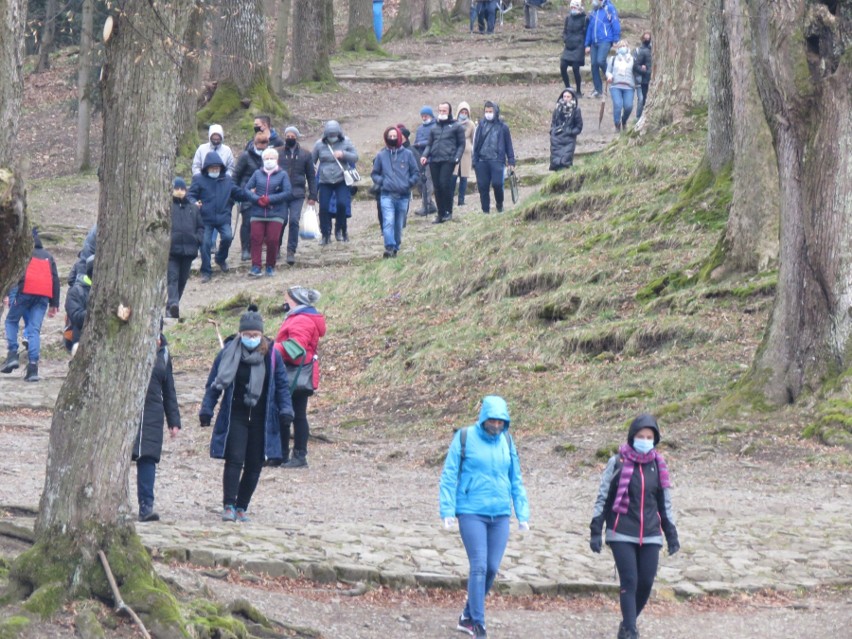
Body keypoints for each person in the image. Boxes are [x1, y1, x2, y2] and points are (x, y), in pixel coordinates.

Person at [439, 396, 530, 639]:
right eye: (493, 420)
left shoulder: (508, 442)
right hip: (471, 511)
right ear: (483, 418)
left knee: (491, 568)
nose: (497, 426)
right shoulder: (464, 437)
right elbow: (449, 475)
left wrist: (522, 513)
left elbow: (516, 478)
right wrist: (447, 510)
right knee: (478, 566)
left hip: (500, 514)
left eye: (501, 422)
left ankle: (467, 616)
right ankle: (478, 623)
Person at [199, 305, 294, 522]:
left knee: (255, 463)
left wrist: (286, 410)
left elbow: (281, 385)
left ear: (262, 334)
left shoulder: (272, 356)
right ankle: (229, 505)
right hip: (236, 414)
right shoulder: (227, 353)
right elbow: (214, 383)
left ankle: (242, 505)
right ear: (240, 334)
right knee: (234, 459)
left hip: (262, 417)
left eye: (255, 335)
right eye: (247, 335)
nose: (251, 338)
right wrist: (207, 408)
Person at [589, 414, 680, 639]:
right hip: (621, 530)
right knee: (629, 580)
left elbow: (664, 503)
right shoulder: (617, 462)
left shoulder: (659, 465)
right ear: (632, 437)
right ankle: (630, 630)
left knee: (646, 582)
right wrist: (596, 530)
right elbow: (604, 497)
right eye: (641, 436)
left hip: (650, 532)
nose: (645, 440)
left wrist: (671, 533)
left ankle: (627, 622)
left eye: (649, 437)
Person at [273, 286, 326, 468]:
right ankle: (285, 454)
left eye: (287, 298)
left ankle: (295, 456)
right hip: (297, 371)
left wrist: (270, 349)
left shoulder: (301, 320)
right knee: (293, 414)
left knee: (293, 414)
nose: (284, 302)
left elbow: (295, 349)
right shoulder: (301, 317)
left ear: (295, 301)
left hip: (295, 372)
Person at [133, 330, 181, 521]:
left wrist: (173, 420)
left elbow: (169, 389)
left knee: (148, 458)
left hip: (153, 413)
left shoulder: (164, 355)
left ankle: (146, 506)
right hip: (127, 411)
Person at [1, 228, 60, 382]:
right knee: (34, 330)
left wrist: (6, 293)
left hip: (25, 291)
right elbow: (55, 279)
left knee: (11, 320)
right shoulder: (49, 257)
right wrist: (54, 304)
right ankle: (33, 368)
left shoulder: (25, 255)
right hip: (44, 296)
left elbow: (14, 273)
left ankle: (12, 353)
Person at [187, 151, 250, 283]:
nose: (215, 170)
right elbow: (190, 195)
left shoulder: (227, 180)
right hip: (205, 219)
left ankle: (220, 258)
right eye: (212, 168)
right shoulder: (199, 179)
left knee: (227, 237)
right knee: (205, 244)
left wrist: (251, 194)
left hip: (223, 217)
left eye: (217, 168)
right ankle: (206, 271)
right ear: (207, 168)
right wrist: (194, 203)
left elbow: (238, 193)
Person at [372, 126, 420, 257]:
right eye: (390, 136)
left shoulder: (408, 154)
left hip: (403, 195)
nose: (392, 139)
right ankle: (389, 247)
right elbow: (374, 173)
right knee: (388, 221)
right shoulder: (381, 155)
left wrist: (408, 184)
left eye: (394, 136)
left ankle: (396, 246)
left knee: (398, 224)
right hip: (387, 194)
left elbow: (416, 173)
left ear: (399, 137)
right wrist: (382, 182)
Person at [245, 147, 292, 277]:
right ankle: (256, 266)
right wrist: (257, 199)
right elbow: (247, 189)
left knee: (272, 240)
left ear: (277, 160)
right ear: (263, 160)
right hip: (257, 212)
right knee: (255, 239)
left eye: (272, 158)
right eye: (266, 158)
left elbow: (287, 192)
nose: (269, 161)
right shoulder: (257, 174)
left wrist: (270, 199)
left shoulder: (283, 174)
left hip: (276, 213)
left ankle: (270, 266)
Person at [311, 120, 359, 245]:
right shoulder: (319, 144)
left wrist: (343, 154)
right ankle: (325, 234)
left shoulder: (346, 142)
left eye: (334, 135)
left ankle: (341, 229)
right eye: (330, 135)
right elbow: (312, 161)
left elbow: (355, 157)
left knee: (342, 204)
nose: (332, 137)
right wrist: (312, 170)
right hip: (325, 180)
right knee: (324, 208)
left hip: (341, 179)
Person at [278, 126, 318, 266]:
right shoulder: (278, 153)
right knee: (281, 220)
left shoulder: (306, 154)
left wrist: (313, 195)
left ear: (297, 137)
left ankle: (291, 250)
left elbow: (311, 176)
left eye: (292, 135)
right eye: (287, 135)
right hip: (280, 193)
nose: (290, 138)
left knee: (294, 220)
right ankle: (276, 247)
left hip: (298, 193)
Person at [421, 102, 465, 224]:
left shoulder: (456, 126)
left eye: (444, 111)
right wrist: (425, 155)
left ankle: (448, 212)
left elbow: (461, 144)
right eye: (440, 110)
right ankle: (440, 214)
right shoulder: (434, 127)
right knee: (437, 187)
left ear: (449, 112)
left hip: (448, 159)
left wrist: (457, 157)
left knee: (444, 184)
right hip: (434, 160)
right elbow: (429, 144)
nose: (441, 113)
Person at [167, 177, 203, 319]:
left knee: (182, 280)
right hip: (172, 251)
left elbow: (201, 226)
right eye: (177, 189)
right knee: (173, 278)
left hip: (189, 251)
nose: (180, 192)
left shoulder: (193, 208)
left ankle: (172, 307)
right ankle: (173, 303)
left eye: (182, 189)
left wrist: (197, 240)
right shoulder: (167, 207)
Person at [472, 101, 515, 214]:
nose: (488, 113)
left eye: (490, 111)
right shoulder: (480, 126)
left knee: (497, 184)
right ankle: (485, 210)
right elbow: (476, 143)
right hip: (482, 161)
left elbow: (508, 144)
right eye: (486, 111)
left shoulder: (503, 127)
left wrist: (511, 160)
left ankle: (499, 204)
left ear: (495, 111)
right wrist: (475, 160)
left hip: (497, 160)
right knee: (483, 186)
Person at [234, 132, 270, 262]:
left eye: (265, 143)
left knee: (262, 223)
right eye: (260, 143)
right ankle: (245, 249)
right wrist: (237, 193)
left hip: (264, 194)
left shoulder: (269, 157)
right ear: (255, 143)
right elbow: (236, 175)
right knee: (247, 222)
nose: (262, 146)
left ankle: (258, 248)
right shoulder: (246, 156)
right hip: (248, 194)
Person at [584, 0, 621, 98]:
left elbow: (615, 22)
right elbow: (590, 28)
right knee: (594, 64)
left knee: (601, 60)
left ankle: (613, 78)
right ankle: (597, 90)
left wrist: (616, 38)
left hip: (605, 39)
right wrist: (587, 44)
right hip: (594, 42)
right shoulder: (593, 11)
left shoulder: (609, 8)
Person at [65, 254, 94, 355]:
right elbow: (76, 316)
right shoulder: (77, 291)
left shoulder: (109, 290)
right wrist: (97, 312)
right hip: (81, 342)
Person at [549, 88, 584, 171]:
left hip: (569, 139)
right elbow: (553, 122)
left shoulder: (576, 110)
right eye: (564, 96)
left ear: (572, 97)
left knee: (566, 162)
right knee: (555, 162)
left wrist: (571, 132)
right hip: (556, 138)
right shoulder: (557, 108)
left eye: (568, 97)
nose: (566, 98)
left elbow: (579, 126)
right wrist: (553, 131)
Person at [606, 39, 636, 132]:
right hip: (616, 86)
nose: (623, 48)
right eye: (621, 46)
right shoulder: (613, 59)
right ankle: (617, 124)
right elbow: (608, 71)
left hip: (629, 86)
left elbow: (636, 71)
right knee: (618, 105)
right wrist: (609, 76)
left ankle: (624, 120)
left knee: (628, 106)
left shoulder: (632, 59)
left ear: (628, 48)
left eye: (625, 46)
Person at [413, 106, 437, 216]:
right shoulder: (419, 128)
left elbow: (433, 142)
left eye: (426, 115)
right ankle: (430, 205)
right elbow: (416, 142)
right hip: (421, 158)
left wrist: (420, 144)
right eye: (422, 115)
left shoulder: (436, 126)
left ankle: (426, 205)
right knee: (420, 182)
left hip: (432, 159)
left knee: (428, 183)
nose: (424, 117)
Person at [561, 0, 588, 96]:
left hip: (579, 46)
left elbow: (586, 33)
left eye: (574, 7)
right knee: (563, 66)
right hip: (568, 46)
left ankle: (578, 91)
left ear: (579, 8)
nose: (573, 9)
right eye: (571, 7)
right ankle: (568, 88)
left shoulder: (584, 19)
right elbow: (564, 31)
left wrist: (586, 45)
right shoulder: (568, 18)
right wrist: (565, 39)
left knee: (576, 68)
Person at [452, 102, 476, 207]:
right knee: (453, 176)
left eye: (466, 112)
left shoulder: (471, 124)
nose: (464, 114)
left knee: (464, 177)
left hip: (466, 153)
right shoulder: (453, 122)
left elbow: (473, 138)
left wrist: (471, 149)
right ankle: (450, 198)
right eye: (462, 111)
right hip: (455, 151)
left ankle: (461, 200)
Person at [633, 32, 652, 120]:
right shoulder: (641, 51)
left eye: (649, 38)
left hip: (652, 79)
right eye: (645, 38)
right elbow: (636, 65)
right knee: (642, 100)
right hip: (645, 80)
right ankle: (638, 118)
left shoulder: (655, 50)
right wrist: (645, 71)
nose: (647, 40)